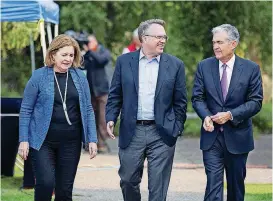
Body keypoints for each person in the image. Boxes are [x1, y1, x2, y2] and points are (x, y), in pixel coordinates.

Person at [106, 19, 187, 201]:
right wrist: (111, 117)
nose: (162, 40)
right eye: (158, 37)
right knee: (127, 180)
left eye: (164, 37)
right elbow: (115, 94)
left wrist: (176, 127)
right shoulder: (124, 62)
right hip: (132, 131)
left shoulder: (175, 65)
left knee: (157, 188)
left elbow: (180, 101)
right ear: (144, 38)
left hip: (162, 134)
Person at [18, 34, 98, 201]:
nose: (68, 59)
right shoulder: (39, 76)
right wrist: (23, 139)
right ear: (53, 55)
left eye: (71, 55)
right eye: (64, 55)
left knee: (64, 190)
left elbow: (88, 109)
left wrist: (92, 139)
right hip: (42, 141)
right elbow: (26, 110)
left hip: (71, 141)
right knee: (46, 183)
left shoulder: (79, 77)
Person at [191, 24, 263, 201]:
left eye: (220, 42)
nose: (215, 46)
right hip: (211, 137)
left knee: (236, 188)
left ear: (233, 44)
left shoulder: (250, 69)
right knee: (213, 186)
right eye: (214, 42)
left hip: (238, 137)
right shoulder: (204, 66)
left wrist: (231, 115)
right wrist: (206, 116)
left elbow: (256, 102)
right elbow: (197, 98)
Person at [84, 34, 113, 153]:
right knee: (92, 118)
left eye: (90, 42)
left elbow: (101, 60)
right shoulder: (88, 54)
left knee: (102, 118)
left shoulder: (103, 52)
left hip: (103, 91)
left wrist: (90, 51)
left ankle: (101, 143)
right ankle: (91, 143)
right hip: (91, 91)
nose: (88, 45)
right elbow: (82, 65)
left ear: (95, 42)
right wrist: (84, 54)